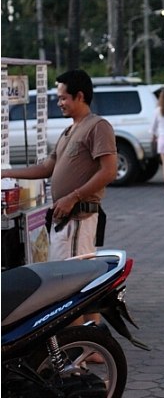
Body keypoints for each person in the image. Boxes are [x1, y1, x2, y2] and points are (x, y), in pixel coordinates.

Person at [3, 68, 117, 261]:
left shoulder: (98, 126)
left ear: (79, 96)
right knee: (60, 277)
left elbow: (109, 171)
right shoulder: (68, 131)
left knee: (74, 278)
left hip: (79, 218)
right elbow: (47, 168)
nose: (59, 103)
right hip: (63, 219)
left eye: (63, 98)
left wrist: (73, 197)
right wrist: (6, 173)